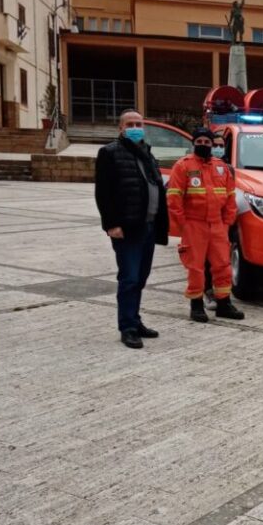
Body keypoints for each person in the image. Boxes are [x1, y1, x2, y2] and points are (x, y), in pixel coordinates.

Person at [94, 110, 168, 349]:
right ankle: (127, 327)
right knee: (129, 278)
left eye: (139, 124)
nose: (136, 127)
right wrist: (111, 224)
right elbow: (103, 192)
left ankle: (135, 320)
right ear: (121, 128)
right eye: (131, 124)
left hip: (148, 226)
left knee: (141, 278)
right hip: (127, 227)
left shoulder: (147, 153)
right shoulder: (110, 153)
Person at [167, 126, 245, 323]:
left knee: (222, 265)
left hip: (218, 225)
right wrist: (183, 225)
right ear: (193, 143)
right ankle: (196, 305)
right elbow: (174, 199)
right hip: (194, 224)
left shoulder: (221, 167)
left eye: (207, 142)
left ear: (212, 144)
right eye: (199, 142)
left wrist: (226, 223)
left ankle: (224, 303)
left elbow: (230, 197)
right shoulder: (183, 166)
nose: (203, 145)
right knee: (196, 267)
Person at [204, 132, 237, 306]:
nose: (218, 148)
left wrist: (229, 222)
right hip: (203, 223)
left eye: (220, 145)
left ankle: (223, 296)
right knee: (205, 261)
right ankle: (208, 291)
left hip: (221, 223)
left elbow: (231, 197)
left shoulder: (228, 169)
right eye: (214, 145)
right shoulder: (199, 165)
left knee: (221, 260)